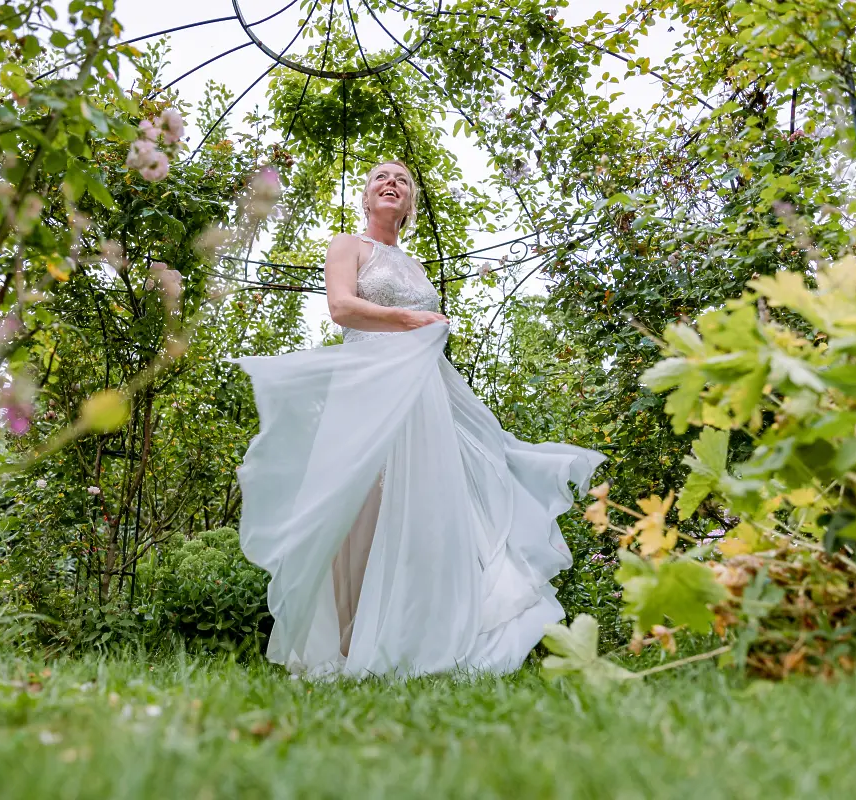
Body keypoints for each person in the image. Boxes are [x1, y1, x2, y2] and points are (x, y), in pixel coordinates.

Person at [232, 160, 604, 678]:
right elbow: (341, 308)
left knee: (424, 508)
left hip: (422, 397)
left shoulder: (417, 266)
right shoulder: (348, 245)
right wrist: (411, 320)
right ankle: (351, 637)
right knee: (361, 508)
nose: (391, 184)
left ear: (409, 205)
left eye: (402, 181)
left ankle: (413, 633)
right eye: (381, 178)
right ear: (366, 198)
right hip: (367, 389)